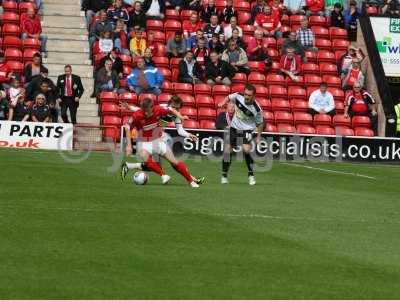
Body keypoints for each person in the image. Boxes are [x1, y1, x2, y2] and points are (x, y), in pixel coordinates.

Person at [120, 95, 205, 184]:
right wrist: (130, 107)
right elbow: (143, 110)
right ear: (169, 104)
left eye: (178, 108)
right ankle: (190, 179)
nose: (175, 109)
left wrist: (189, 134)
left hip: (159, 137)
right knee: (156, 165)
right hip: (147, 137)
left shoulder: (175, 115)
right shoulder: (162, 108)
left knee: (168, 163)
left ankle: (192, 179)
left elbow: (180, 130)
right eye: (174, 106)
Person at [217, 84, 264, 185]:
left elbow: (260, 123)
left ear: (254, 96)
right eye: (246, 94)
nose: (246, 97)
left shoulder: (257, 109)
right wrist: (223, 102)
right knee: (227, 151)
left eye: (249, 95)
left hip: (247, 130)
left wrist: (259, 136)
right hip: (234, 127)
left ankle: (251, 175)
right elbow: (228, 97)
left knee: (246, 149)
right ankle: (224, 175)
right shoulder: (238, 96)